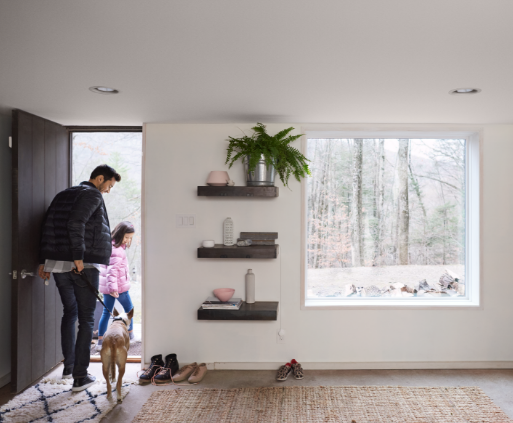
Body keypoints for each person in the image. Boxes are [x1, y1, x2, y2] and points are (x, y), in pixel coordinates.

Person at [38, 164, 121, 392]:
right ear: (100, 178)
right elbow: (76, 222)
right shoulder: (91, 194)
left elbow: (48, 226)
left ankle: (70, 367)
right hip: (81, 265)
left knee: (70, 312)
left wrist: (43, 260)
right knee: (86, 319)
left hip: (57, 263)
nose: (108, 191)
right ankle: (80, 377)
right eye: (109, 186)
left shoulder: (64, 194)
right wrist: (78, 256)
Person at [97, 221, 136, 351]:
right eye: (126, 237)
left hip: (109, 287)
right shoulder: (117, 250)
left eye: (130, 238)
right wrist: (114, 289)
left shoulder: (111, 245)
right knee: (129, 310)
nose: (128, 240)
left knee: (106, 313)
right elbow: (111, 271)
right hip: (118, 287)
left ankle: (100, 342)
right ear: (120, 234)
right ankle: (130, 336)